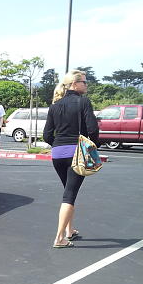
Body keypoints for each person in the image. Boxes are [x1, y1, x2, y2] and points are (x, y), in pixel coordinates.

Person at [43, 69, 99, 249]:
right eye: (84, 82)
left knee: (68, 191)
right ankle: (59, 238)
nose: (86, 85)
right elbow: (92, 129)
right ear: (74, 84)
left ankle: (69, 231)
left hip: (58, 154)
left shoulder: (54, 106)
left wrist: (58, 145)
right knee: (69, 195)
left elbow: (46, 135)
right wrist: (92, 147)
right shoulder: (83, 102)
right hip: (77, 153)